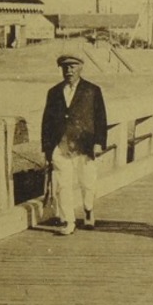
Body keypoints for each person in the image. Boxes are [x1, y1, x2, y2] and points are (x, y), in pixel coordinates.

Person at [40, 53, 108, 235]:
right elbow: (47, 121)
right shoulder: (53, 92)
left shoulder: (92, 90)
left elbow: (101, 119)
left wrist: (99, 143)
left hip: (85, 146)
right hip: (60, 147)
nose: (69, 71)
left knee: (87, 183)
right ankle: (68, 221)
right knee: (63, 185)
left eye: (73, 67)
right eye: (65, 68)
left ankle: (88, 209)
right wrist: (47, 149)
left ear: (81, 67)